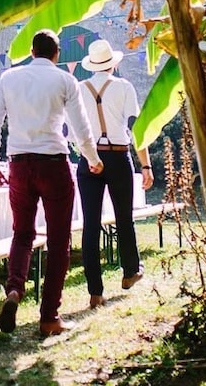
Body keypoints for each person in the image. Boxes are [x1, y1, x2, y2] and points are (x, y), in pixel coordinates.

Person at [0, 29, 103, 337]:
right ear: (57, 54)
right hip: (53, 165)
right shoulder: (66, 81)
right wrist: (92, 158)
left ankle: (14, 291)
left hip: (20, 165)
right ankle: (49, 317)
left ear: (32, 52)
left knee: (22, 234)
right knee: (58, 241)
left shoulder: (9, 79)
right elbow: (80, 127)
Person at [76, 38, 153, 309]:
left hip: (88, 159)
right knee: (124, 218)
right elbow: (136, 128)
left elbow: (72, 128)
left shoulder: (79, 88)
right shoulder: (123, 87)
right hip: (118, 156)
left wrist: (87, 154)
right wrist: (146, 165)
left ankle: (95, 292)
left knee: (90, 225)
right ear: (112, 63)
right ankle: (130, 272)